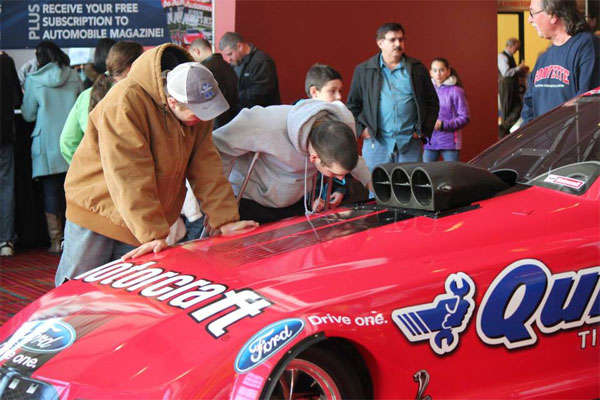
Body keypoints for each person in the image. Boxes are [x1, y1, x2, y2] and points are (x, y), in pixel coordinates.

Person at [55, 44, 257, 286]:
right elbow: (129, 174)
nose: (202, 119)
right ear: (172, 102)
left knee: (131, 294)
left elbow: (207, 166)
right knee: (80, 291)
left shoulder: (195, 107)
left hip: (141, 217)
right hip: (98, 209)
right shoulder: (125, 102)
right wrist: (152, 232)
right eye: (195, 113)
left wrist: (225, 219)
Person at [212, 100, 373, 225]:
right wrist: (221, 206)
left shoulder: (343, 122)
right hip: (252, 202)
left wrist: (372, 184)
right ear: (314, 158)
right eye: (334, 174)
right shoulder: (264, 124)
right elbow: (218, 148)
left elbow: (349, 158)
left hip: (297, 202)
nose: (340, 179)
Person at [347, 22, 439, 171]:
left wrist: (424, 129)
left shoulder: (417, 68)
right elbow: (352, 105)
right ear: (380, 43)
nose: (398, 44)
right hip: (376, 143)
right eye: (393, 40)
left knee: (410, 189)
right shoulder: (364, 70)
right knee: (377, 189)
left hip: (410, 143)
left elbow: (432, 101)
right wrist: (361, 130)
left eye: (401, 39)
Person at [21, 41, 83, 254]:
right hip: (73, 142)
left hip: (46, 144)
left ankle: (56, 241)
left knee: (51, 192)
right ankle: (75, 240)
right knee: (74, 191)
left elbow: (28, 114)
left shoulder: (33, 80)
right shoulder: (74, 76)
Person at [60, 41, 145, 164]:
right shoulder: (136, 95)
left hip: (95, 178)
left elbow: (67, 141)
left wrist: (85, 169)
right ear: (129, 67)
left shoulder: (86, 95)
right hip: (128, 174)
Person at [521, 0, 600, 123]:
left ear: (553, 15)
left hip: (572, 141)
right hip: (544, 141)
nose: (529, 20)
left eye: (532, 13)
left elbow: (587, 106)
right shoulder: (543, 58)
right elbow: (529, 107)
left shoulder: (587, 46)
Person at [301, 63, 348, 211]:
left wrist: (341, 189)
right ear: (314, 91)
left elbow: (343, 157)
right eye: (332, 91)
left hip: (329, 201)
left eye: (340, 91)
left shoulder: (339, 119)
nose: (339, 97)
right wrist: (311, 200)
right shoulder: (298, 125)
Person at [219, 31, 281, 111]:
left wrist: (233, 97)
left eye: (230, 54)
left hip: (263, 116)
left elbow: (262, 92)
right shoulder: (235, 63)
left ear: (239, 46)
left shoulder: (261, 61)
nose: (228, 59)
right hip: (244, 114)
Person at [424, 58, 470, 162]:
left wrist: (443, 124)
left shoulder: (456, 91)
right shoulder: (427, 91)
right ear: (430, 73)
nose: (438, 74)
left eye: (441, 70)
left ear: (448, 71)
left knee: (452, 175)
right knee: (426, 174)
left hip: (450, 144)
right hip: (430, 143)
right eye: (435, 70)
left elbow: (465, 117)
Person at [0, 52, 23, 257]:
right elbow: (18, 97)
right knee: (6, 188)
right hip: (4, 134)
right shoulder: (6, 62)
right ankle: (6, 240)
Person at [189, 38, 238, 128]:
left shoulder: (204, 71)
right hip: (232, 118)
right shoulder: (227, 66)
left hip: (215, 123)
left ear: (196, 51)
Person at [498, 38, 529, 138]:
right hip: (506, 87)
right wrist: (519, 68)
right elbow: (506, 73)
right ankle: (503, 132)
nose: (517, 50)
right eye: (516, 48)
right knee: (507, 109)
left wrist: (520, 70)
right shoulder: (502, 56)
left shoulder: (509, 57)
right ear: (511, 46)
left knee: (518, 106)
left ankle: (504, 127)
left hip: (512, 87)